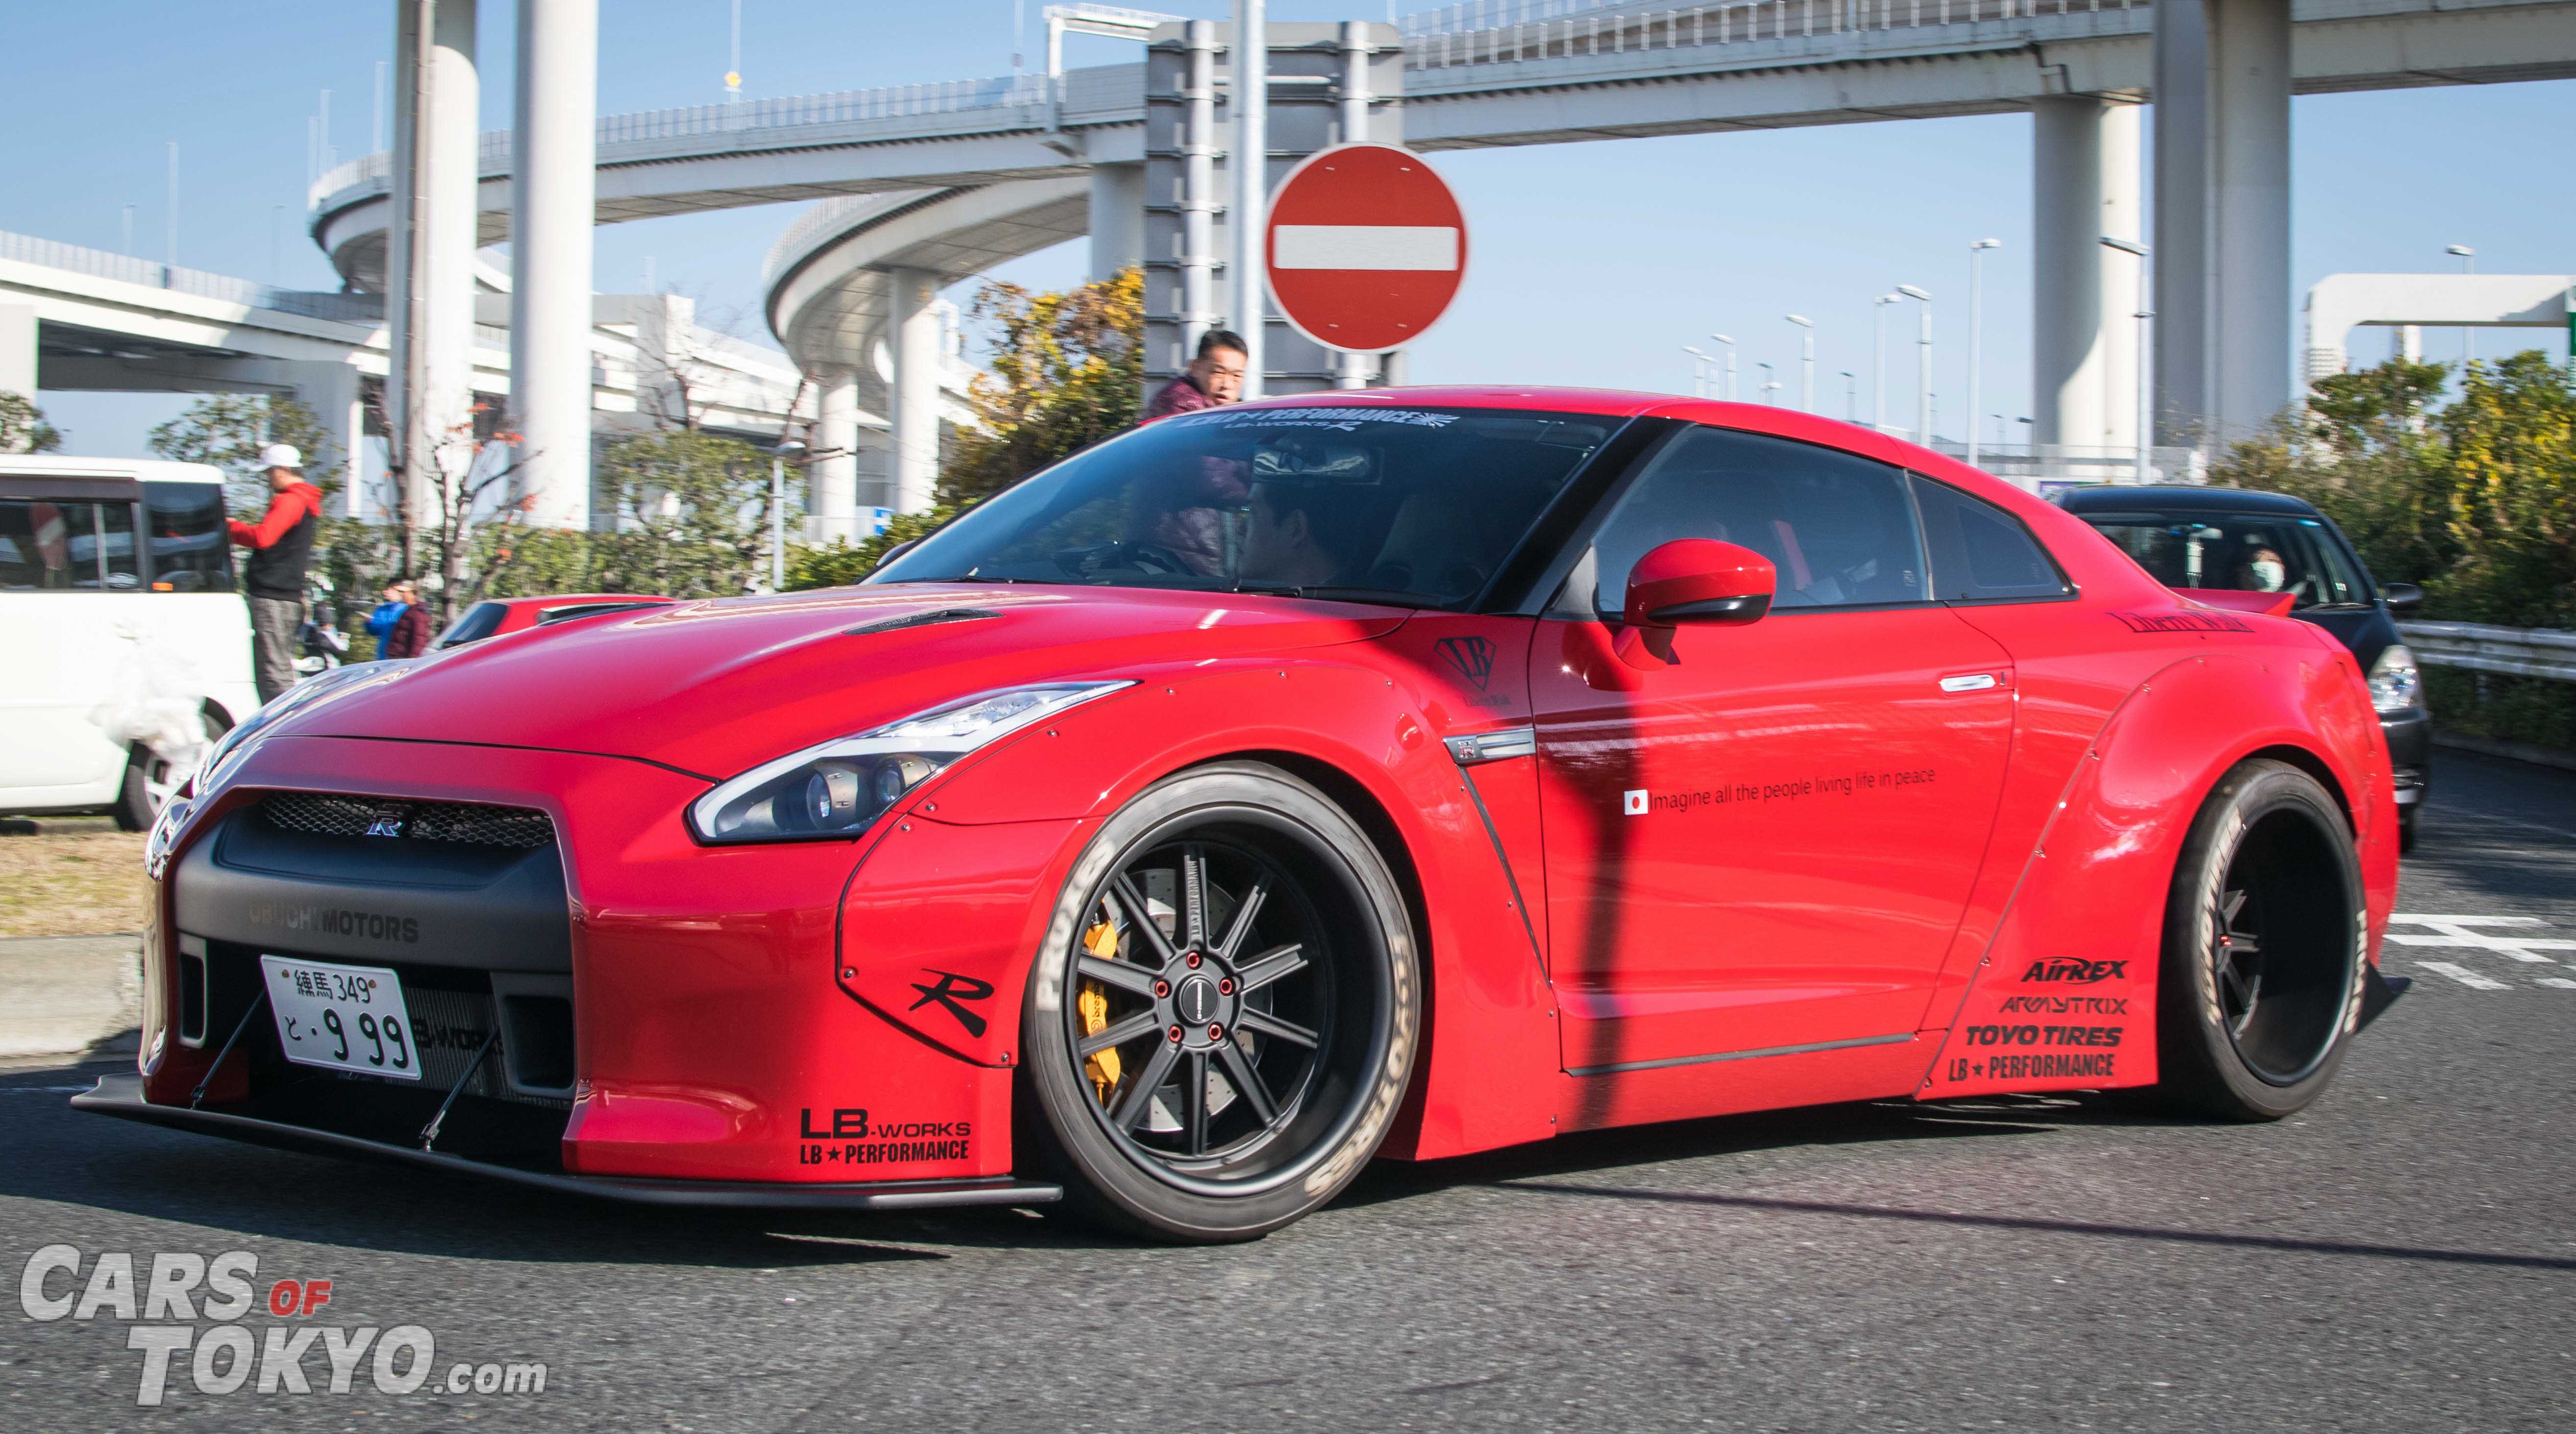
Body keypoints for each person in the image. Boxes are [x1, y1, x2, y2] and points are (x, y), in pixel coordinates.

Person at [227, 444, 325, 703]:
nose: (268, 479)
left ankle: (280, 730)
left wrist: (230, 528)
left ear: (282, 470)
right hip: (286, 597)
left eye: (269, 472)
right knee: (279, 670)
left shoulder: (291, 500)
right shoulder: (306, 500)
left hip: (273, 597)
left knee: (273, 675)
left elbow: (263, 537)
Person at [1142, 329, 1247, 421]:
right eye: (1218, 373)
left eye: (1237, 376)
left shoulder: (1235, 410)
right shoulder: (1185, 406)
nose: (1227, 385)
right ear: (1195, 368)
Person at [370, 580, 434, 659]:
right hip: (395, 657)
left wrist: (412, 662)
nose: (402, 595)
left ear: (414, 595)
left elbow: (418, 640)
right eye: (400, 592)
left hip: (404, 660)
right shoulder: (408, 611)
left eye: (404, 592)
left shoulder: (418, 614)